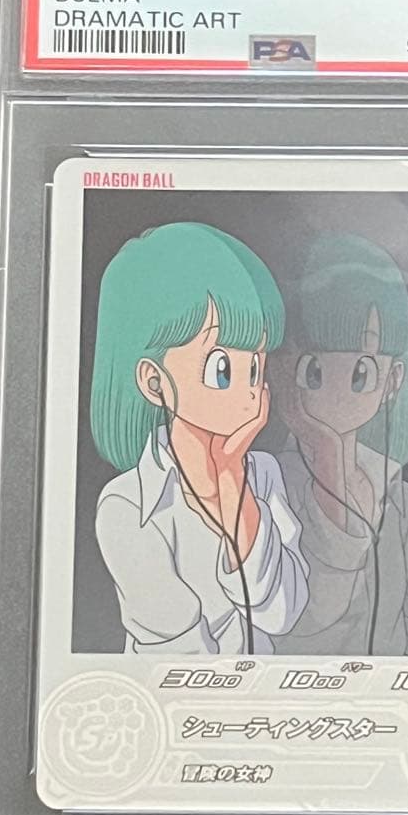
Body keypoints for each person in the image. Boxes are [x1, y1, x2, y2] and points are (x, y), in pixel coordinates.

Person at [90, 222, 309, 655]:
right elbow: (176, 653)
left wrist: (231, 481)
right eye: (222, 369)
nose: (250, 391)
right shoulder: (126, 506)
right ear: (154, 381)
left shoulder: (262, 475)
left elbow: (282, 614)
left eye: (255, 368)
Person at [269, 234, 408, 656]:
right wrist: (327, 452)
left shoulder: (401, 501)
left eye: (360, 372)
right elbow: (309, 615)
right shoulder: (270, 490)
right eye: (313, 370)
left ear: (392, 381)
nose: (335, 392)